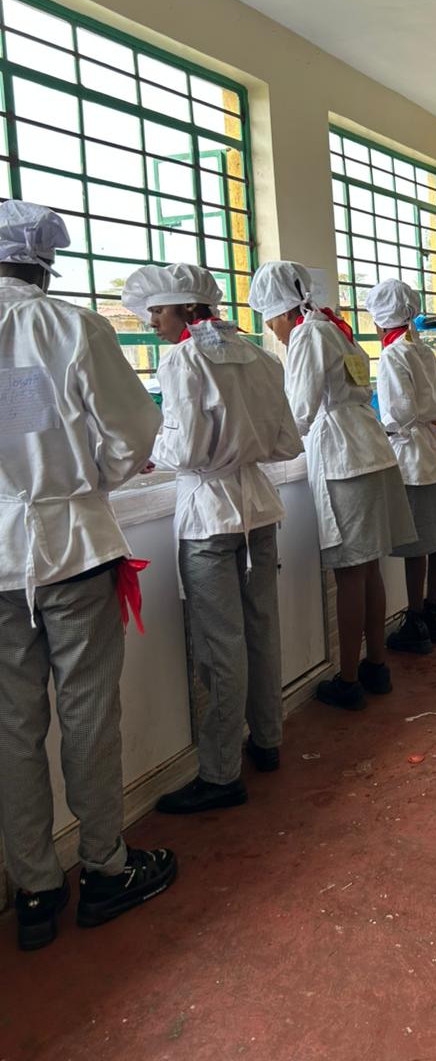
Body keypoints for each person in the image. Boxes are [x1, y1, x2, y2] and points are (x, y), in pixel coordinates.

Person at [0, 200, 177, 952]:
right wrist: (89, 482)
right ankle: (105, 867)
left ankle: (35, 890)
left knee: (11, 728)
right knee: (88, 714)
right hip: (72, 547)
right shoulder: (71, 326)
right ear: (44, 265)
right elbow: (134, 429)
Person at [122, 263, 304, 815]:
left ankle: (221, 773)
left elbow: (185, 449)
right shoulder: (258, 355)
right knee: (261, 630)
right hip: (259, 508)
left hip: (208, 516)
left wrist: (152, 450)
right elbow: (286, 441)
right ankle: (267, 740)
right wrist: (239, 448)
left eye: (158, 310)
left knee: (219, 646)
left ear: (185, 308)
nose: (152, 321)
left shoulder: (183, 358)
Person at [249, 261, 416, 711]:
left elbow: (299, 410)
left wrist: (262, 449)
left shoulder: (308, 335)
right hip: (371, 449)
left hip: (345, 458)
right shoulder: (337, 329)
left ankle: (349, 680)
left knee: (350, 573)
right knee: (370, 569)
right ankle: (376, 667)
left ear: (283, 311)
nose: (272, 332)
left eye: (270, 321)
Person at [365, 279, 436, 651]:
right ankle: (434, 612)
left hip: (411, 454)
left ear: (379, 320)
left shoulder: (392, 354)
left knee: (416, 543)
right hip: (434, 447)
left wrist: (378, 427)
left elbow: (398, 412)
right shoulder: (422, 349)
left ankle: (416, 619)